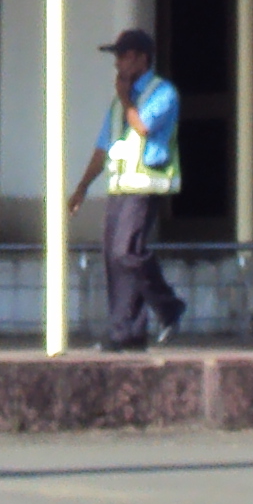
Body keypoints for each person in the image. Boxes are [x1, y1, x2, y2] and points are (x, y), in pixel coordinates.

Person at [66, 28, 186, 353]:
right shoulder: (120, 103)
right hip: (120, 186)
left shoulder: (162, 92)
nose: (118, 64)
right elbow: (102, 148)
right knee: (114, 258)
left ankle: (169, 307)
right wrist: (81, 187)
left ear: (142, 59)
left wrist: (125, 98)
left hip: (144, 185)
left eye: (123, 56)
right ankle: (126, 333)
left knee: (126, 252)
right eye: (117, 57)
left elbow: (142, 126)